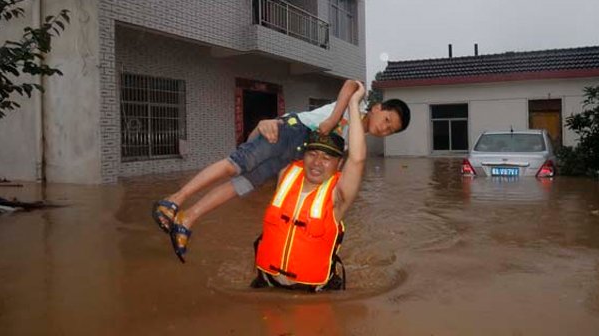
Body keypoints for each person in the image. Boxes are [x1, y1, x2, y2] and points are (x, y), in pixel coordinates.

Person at [152, 80, 410, 262]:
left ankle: (187, 219)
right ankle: (174, 200)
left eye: (390, 130)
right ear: (377, 107)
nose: (384, 129)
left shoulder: (354, 138)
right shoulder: (358, 105)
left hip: (294, 154)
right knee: (235, 164)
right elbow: (352, 85)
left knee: (241, 186)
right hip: (289, 132)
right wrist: (333, 118)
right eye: (386, 120)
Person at [251, 81, 367, 291]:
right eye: (312, 154)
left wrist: (354, 104)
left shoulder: (338, 195)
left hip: (312, 294)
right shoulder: (286, 173)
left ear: (339, 163)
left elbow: (357, 159)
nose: (317, 163)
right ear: (302, 156)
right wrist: (261, 126)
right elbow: (250, 151)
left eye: (326, 158)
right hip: (266, 283)